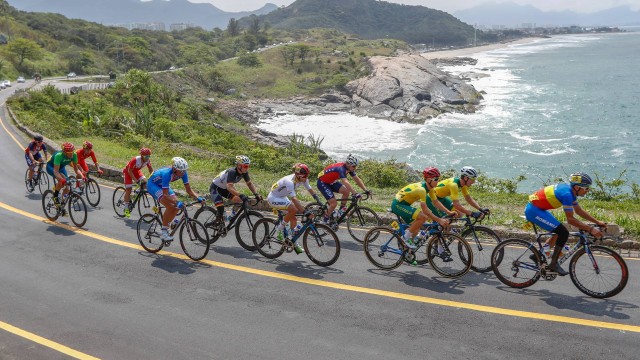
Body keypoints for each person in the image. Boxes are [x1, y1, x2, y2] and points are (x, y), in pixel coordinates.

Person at [525, 172, 606, 276]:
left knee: (558, 231)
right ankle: (553, 264)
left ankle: (537, 255)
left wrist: (597, 222)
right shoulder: (567, 195)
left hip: (538, 209)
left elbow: (579, 211)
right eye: (586, 188)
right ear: (577, 187)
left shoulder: (570, 192)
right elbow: (570, 220)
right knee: (563, 232)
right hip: (534, 211)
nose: (588, 191)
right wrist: (590, 229)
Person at [391, 167, 456, 250]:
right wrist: (439, 220)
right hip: (398, 205)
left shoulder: (430, 189)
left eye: (438, 179)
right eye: (436, 179)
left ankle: (407, 252)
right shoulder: (422, 190)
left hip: (405, 205)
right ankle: (405, 238)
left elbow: (436, 202)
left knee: (416, 228)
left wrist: (448, 212)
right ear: (429, 180)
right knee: (422, 217)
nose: (438, 181)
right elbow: (425, 209)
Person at [147, 157, 206, 242]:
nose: (183, 173)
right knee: (170, 206)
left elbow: (188, 190)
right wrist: (176, 202)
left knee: (177, 207)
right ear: (174, 169)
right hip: (153, 185)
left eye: (184, 170)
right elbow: (165, 195)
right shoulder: (167, 173)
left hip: (163, 185)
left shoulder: (183, 173)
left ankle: (167, 224)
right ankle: (163, 232)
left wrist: (198, 197)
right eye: (181, 171)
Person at [267, 163, 322, 254]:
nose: (306, 178)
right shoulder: (289, 181)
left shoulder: (302, 179)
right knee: (293, 209)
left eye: (307, 176)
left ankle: (294, 242)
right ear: (298, 175)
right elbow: (294, 199)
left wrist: (318, 200)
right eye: (305, 176)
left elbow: (310, 189)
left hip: (282, 197)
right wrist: (305, 212)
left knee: (294, 219)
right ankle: (279, 228)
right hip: (273, 198)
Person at [317, 154, 371, 224]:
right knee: (333, 203)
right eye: (354, 166)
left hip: (331, 182)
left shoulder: (349, 168)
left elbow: (357, 179)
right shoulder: (341, 169)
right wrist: (355, 193)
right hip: (322, 183)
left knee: (346, 191)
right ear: (348, 164)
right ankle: (324, 220)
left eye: (356, 166)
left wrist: (365, 190)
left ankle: (340, 212)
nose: (355, 168)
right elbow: (345, 182)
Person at [208, 155, 263, 223]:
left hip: (225, 189)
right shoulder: (232, 172)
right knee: (221, 209)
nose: (247, 168)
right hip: (215, 188)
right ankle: (215, 222)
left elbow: (249, 184)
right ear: (239, 166)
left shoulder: (244, 173)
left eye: (248, 166)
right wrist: (240, 194)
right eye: (245, 166)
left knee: (239, 200)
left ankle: (232, 216)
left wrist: (256, 194)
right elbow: (229, 187)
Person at [121, 148, 154, 218]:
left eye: (149, 156)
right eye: (146, 156)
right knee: (129, 189)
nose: (147, 158)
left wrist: (154, 178)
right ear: (142, 155)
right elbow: (129, 171)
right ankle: (126, 207)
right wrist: (136, 181)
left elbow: (150, 169)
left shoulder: (147, 160)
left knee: (145, 183)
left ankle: (136, 193)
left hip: (136, 172)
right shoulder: (135, 159)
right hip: (128, 173)